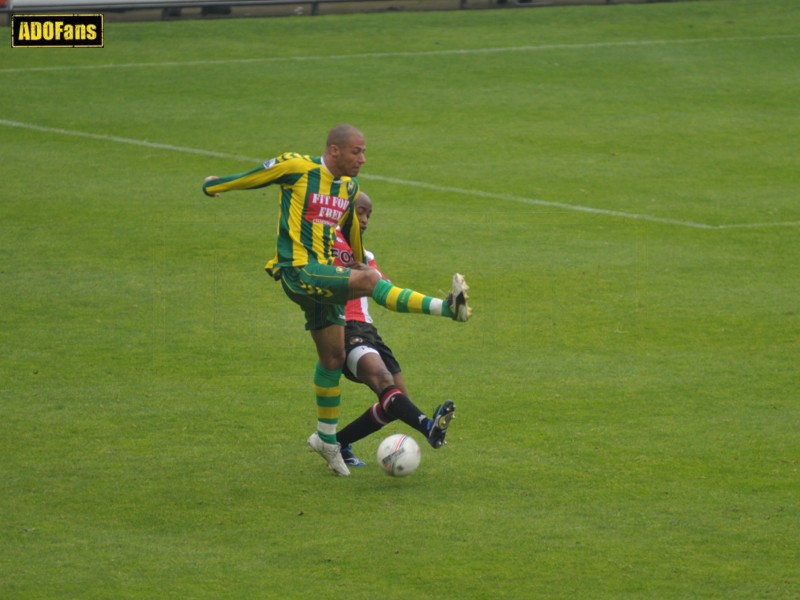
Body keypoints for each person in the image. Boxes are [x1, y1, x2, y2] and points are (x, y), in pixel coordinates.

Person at [203, 124, 470, 477]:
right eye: (357, 151)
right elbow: (258, 176)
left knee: (332, 359)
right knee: (372, 287)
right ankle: (447, 308)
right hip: (301, 271)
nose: (363, 158)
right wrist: (214, 185)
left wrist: (360, 261)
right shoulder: (298, 167)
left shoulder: (348, 188)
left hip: (328, 289)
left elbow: (348, 232)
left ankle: (329, 441)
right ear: (334, 150)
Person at [331, 192, 456, 467]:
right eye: (360, 212)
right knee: (384, 381)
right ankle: (429, 428)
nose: (364, 220)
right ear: (343, 211)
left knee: (396, 404)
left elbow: (387, 291)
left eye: (369, 215)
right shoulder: (326, 244)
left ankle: (338, 443)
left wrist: (442, 306)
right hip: (342, 328)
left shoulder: (365, 254)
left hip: (368, 332)